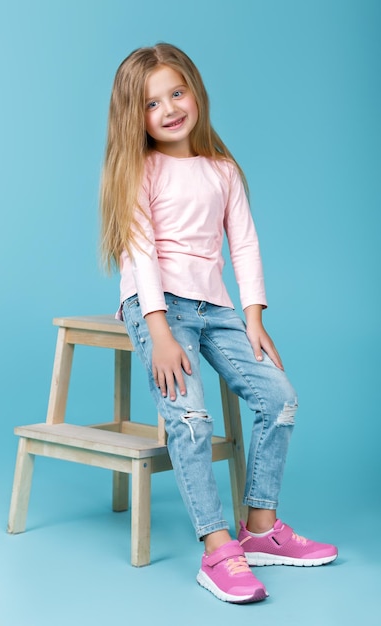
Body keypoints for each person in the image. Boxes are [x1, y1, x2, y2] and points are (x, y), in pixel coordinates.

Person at [100, 42, 337, 604]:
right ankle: (217, 547)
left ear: (196, 92)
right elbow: (141, 252)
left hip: (217, 308)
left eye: (176, 93)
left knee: (280, 399)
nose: (170, 109)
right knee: (192, 420)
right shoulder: (141, 170)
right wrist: (157, 330)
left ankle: (260, 529)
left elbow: (245, 245)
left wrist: (253, 318)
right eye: (152, 104)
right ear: (136, 118)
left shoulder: (223, 170)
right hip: (158, 305)